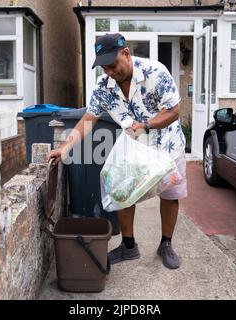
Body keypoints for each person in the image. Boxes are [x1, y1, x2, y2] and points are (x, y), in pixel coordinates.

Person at [46, 33, 187, 269]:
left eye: (113, 65)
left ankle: (166, 244)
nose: (110, 72)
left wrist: (146, 124)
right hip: (134, 147)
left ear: (126, 53)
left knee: (170, 195)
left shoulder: (155, 72)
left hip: (166, 145)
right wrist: (64, 147)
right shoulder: (104, 87)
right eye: (104, 68)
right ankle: (129, 246)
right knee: (120, 190)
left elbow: (173, 111)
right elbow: (88, 119)